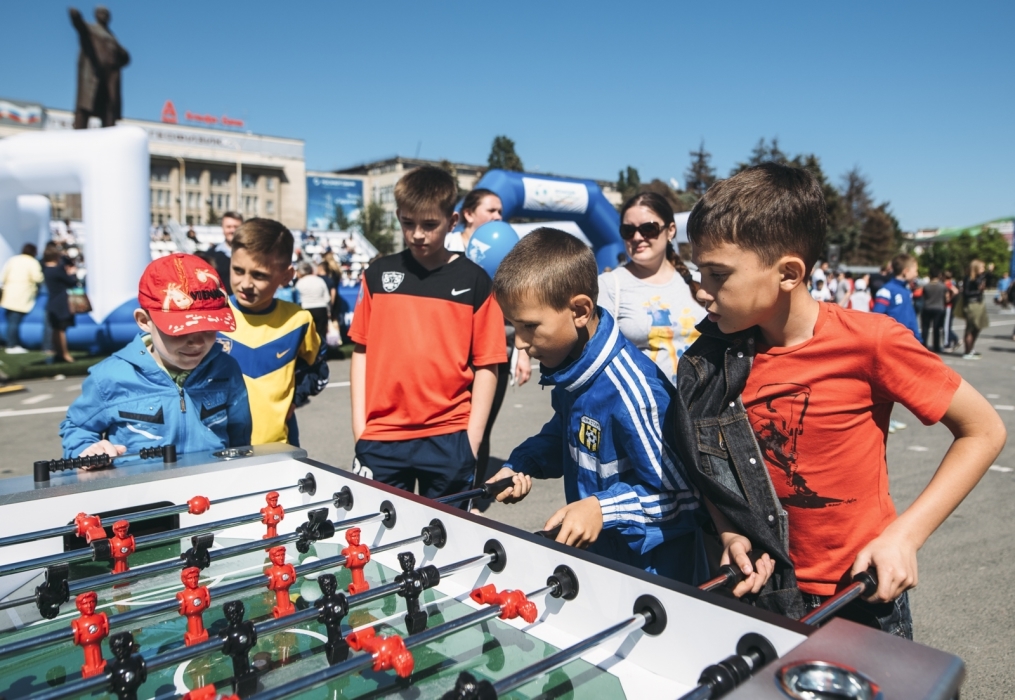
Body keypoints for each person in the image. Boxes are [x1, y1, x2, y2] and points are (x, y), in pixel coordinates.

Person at [677, 162, 1005, 636]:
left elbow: (984, 430)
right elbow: (708, 465)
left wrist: (904, 537)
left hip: (857, 594)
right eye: (699, 272)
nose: (702, 291)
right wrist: (728, 530)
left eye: (717, 274)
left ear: (788, 273)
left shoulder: (872, 342)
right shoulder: (711, 358)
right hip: (762, 593)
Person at [485, 229, 770, 592]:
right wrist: (522, 463)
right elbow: (566, 433)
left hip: (653, 582)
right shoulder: (575, 370)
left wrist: (602, 510)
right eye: (514, 326)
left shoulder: (632, 392)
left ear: (579, 311)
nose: (521, 343)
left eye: (529, 326)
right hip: (602, 567)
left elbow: (685, 498)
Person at [349, 166, 507, 500]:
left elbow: (488, 364)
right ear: (398, 216)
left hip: (450, 437)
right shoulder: (377, 274)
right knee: (379, 532)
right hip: (381, 437)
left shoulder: (475, 281)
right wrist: (360, 430)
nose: (417, 234)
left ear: (452, 221)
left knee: (447, 533)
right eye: (408, 223)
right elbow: (361, 351)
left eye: (430, 225)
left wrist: (472, 440)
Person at [60, 253, 251, 460]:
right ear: (144, 321)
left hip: (213, 479)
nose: (197, 342)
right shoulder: (109, 377)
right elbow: (78, 427)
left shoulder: (226, 369)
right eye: (181, 330)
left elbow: (239, 436)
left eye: (208, 328)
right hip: (138, 481)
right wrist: (88, 450)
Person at [446, 187, 531, 507]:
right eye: (491, 210)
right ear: (468, 214)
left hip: (495, 353)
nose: (498, 217)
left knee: (480, 428)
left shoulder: (507, 250)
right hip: (453, 354)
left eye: (500, 211)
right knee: (449, 426)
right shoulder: (447, 247)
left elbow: (518, 304)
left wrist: (522, 352)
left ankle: (469, 500)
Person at [218, 218, 329, 447]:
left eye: (259, 275)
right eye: (238, 270)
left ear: (286, 276)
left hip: (278, 448)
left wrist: (295, 398)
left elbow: (318, 369)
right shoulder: (213, 316)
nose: (245, 284)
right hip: (218, 451)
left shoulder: (298, 321)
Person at [598, 192, 705, 386]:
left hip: (705, 401)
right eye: (628, 230)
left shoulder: (702, 281)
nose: (637, 237)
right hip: (646, 403)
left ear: (670, 230)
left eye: (648, 228)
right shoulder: (609, 285)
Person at [1, 243, 44, 353]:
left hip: (8, 294)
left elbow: (3, 276)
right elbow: (38, 278)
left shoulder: (13, 260)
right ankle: (12, 345)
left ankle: (10, 342)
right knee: (15, 321)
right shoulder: (32, 262)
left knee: (11, 320)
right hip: (22, 295)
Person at [42, 242, 79, 364]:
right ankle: (64, 354)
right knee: (61, 330)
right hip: (62, 303)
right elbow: (71, 282)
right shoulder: (57, 270)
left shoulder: (46, 269)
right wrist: (72, 273)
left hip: (52, 302)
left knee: (55, 329)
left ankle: (58, 352)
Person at [873, 254, 922, 342]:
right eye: (915, 271)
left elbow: (910, 316)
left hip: (908, 340)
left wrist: (917, 338)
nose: (916, 274)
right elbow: (876, 317)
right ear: (906, 271)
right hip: (893, 341)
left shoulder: (906, 290)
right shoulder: (886, 290)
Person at [295, 261, 330, 349]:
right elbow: (327, 298)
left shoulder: (300, 283)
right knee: (321, 334)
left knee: (308, 334)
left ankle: (310, 352)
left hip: (306, 309)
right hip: (321, 308)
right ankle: (322, 351)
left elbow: (297, 299)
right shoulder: (319, 280)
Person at [959, 260, 988, 360]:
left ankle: (971, 349)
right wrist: (978, 291)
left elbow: (988, 277)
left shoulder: (979, 278)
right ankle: (967, 351)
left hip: (978, 303)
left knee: (977, 327)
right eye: (982, 267)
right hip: (971, 304)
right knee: (970, 328)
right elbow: (966, 293)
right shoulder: (968, 278)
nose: (983, 269)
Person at [211, 211, 243, 295]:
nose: (232, 230)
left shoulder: (252, 254)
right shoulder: (211, 255)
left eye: (236, 227)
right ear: (222, 228)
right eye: (228, 227)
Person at [920, 272, 947, 353]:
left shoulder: (926, 286)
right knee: (937, 328)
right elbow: (946, 297)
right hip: (938, 308)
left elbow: (924, 296)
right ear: (938, 275)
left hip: (927, 307)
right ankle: (936, 346)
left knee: (925, 328)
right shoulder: (942, 286)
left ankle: (923, 344)